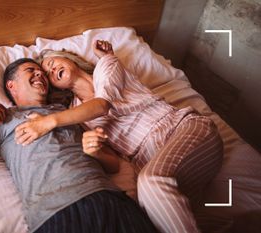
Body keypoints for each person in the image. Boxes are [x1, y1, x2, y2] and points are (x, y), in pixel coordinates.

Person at [14, 40, 224, 233]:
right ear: (55, 87)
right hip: (156, 163)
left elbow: (102, 105)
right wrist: (95, 151)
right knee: (144, 220)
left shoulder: (106, 67)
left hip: (183, 130)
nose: (51, 69)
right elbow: (112, 163)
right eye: (48, 74)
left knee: (151, 182)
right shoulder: (76, 115)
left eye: (52, 62)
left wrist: (49, 121)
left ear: (68, 58)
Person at [0, 58, 156, 233]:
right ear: (11, 85)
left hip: (109, 199)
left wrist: (97, 151)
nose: (40, 75)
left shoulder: (68, 112)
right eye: (31, 71)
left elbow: (114, 165)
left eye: (43, 73)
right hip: (56, 213)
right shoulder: (3, 119)